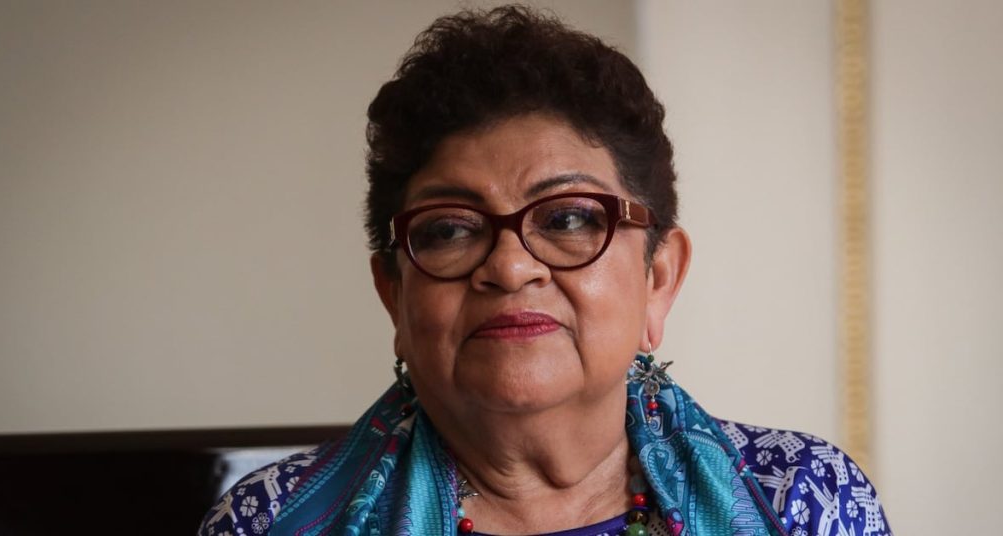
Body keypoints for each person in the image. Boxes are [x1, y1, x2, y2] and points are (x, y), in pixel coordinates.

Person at [199, 6, 891, 536]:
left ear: (658, 278)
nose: (509, 267)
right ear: (393, 295)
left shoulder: (803, 501)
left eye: (567, 219)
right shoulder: (266, 523)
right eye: (449, 230)